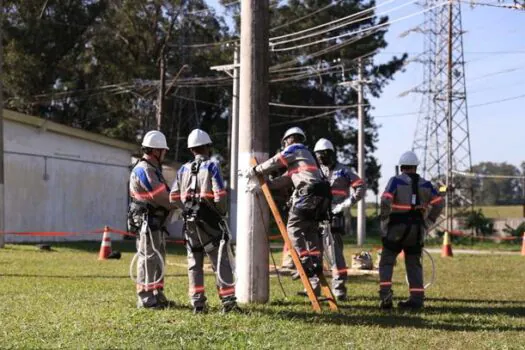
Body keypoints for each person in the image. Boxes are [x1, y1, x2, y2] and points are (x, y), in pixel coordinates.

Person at [240, 127, 331, 295]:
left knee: (293, 227)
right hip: (323, 195)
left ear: (289, 139)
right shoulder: (305, 160)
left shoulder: (295, 148)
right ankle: (316, 262)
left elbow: (276, 160)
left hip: (309, 193)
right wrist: (262, 186)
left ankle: (305, 261)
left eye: (285, 142)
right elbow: (284, 180)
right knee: (310, 229)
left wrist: (253, 171)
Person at [170, 129, 238, 314]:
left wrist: (185, 209)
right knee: (220, 261)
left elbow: (173, 196)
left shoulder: (183, 169)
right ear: (208, 147)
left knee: (194, 262)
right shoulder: (212, 166)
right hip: (209, 222)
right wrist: (220, 213)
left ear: (192, 150)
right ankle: (228, 303)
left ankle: (198, 305)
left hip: (190, 224)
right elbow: (220, 195)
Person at [378, 151, 444, 310]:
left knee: (387, 261)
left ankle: (386, 296)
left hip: (396, 227)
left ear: (402, 167)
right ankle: (416, 300)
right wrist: (429, 221)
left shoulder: (395, 181)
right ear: (416, 166)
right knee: (414, 263)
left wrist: (384, 222)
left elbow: (385, 200)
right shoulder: (427, 185)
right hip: (417, 229)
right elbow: (439, 203)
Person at [313, 138, 366, 301]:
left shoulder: (343, 171)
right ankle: (313, 288)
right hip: (315, 216)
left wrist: (345, 204)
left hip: (335, 216)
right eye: (319, 155)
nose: (322, 158)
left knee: (335, 255)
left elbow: (360, 187)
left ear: (331, 154)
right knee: (314, 254)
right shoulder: (315, 171)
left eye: (324, 155)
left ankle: (339, 290)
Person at [128, 130, 172, 309]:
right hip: (147, 221)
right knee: (148, 258)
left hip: (156, 222)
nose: (165, 154)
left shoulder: (153, 169)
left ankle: (157, 294)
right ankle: (146, 299)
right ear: (156, 151)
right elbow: (160, 196)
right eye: (163, 150)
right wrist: (178, 203)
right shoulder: (144, 170)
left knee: (158, 257)